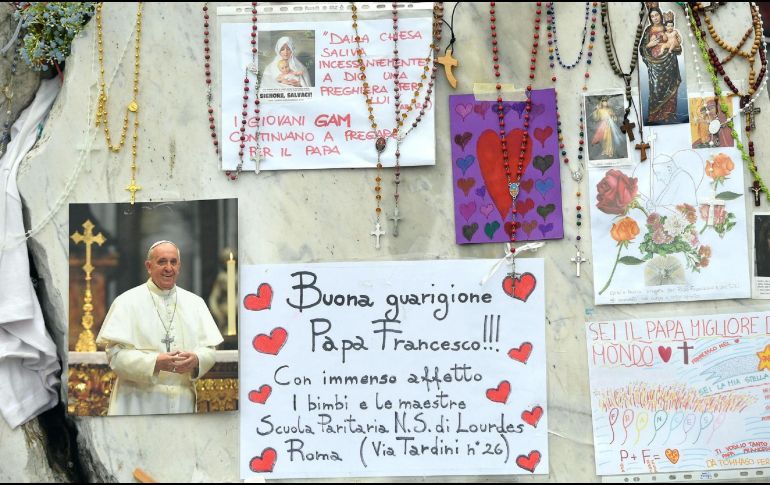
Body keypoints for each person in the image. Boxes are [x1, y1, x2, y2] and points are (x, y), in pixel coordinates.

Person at [96, 241, 223, 415]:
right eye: (162, 262)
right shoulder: (126, 302)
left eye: (173, 262)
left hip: (182, 401)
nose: (168, 268)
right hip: (136, 401)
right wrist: (155, 362)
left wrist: (196, 359)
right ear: (149, 266)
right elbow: (116, 357)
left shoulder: (195, 303)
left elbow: (209, 350)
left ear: (179, 266)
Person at [640, 8, 683, 124]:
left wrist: (674, 45)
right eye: (652, 16)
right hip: (655, 67)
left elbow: (678, 47)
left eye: (657, 15)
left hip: (670, 63)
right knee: (656, 90)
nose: (655, 18)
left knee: (671, 89)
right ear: (650, 18)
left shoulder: (668, 28)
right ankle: (655, 116)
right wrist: (649, 45)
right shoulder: (648, 30)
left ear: (660, 15)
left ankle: (669, 115)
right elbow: (642, 49)